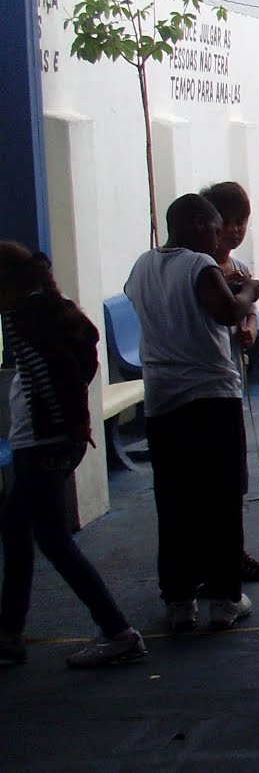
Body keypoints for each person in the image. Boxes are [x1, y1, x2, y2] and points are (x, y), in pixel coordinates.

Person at [0, 243, 148, 667]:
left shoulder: (28, 319)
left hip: (41, 443)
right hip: (49, 441)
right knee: (20, 527)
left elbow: (60, 379)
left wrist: (62, 428)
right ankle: (9, 629)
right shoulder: (47, 310)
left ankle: (118, 631)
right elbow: (76, 367)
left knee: (49, 538)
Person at [124, 194, 259, 631]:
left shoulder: (142, 266)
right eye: (217, 228)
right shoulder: (197, 265)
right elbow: (226, 312)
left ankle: (179, 599)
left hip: (162, 398)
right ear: (199, 224)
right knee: (220, 498)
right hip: (209, 394)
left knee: (175, 501)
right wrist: (249, 291)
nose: (221, 237)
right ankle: (225, 597)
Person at [196, 181, 259, 584]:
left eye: (240, 222)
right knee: (205, 484)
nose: (233, 230)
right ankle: (208, 564)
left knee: (232, 480)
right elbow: (230, 308)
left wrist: (249, 328)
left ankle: (233, 555)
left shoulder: (242, 270)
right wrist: (241, 311)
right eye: (225, 222)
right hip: (204, 385)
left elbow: (248, 314)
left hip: (230, 380)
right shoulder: (198, 269)